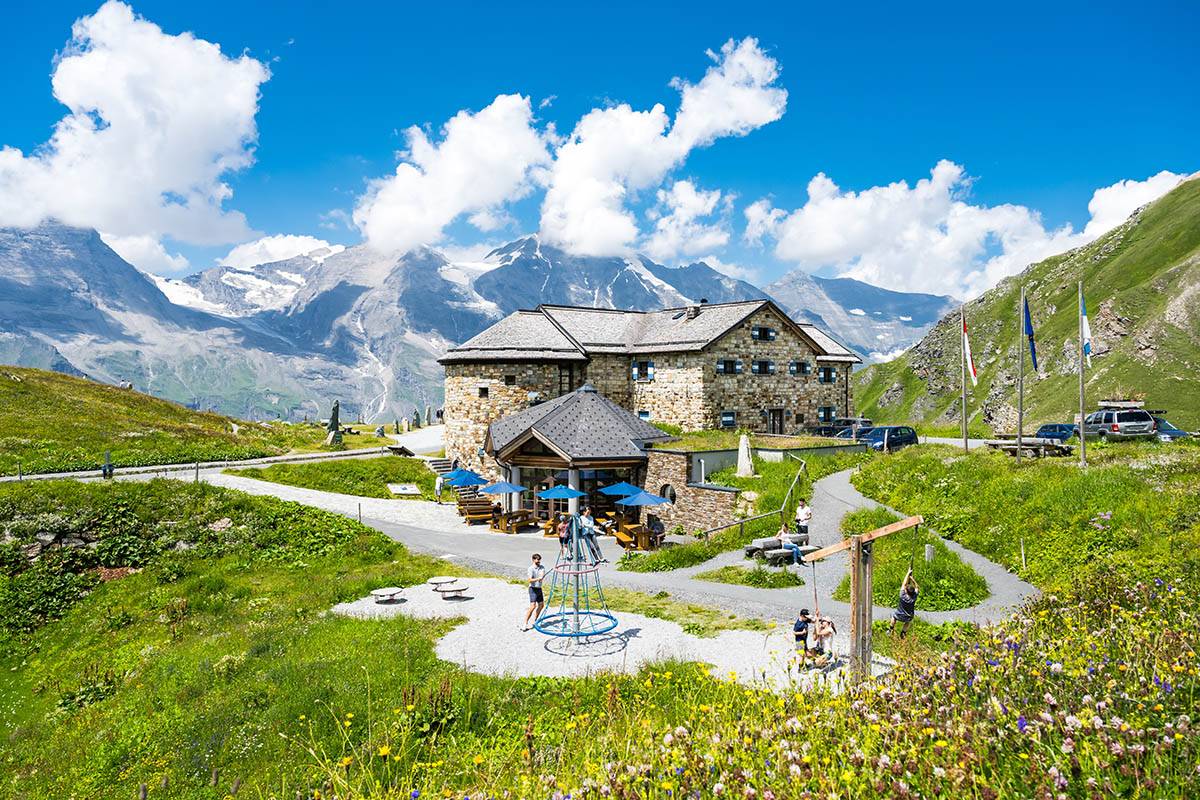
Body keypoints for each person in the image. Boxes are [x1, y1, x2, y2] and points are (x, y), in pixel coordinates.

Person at [889, 569, 920, 637]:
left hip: (899, 614)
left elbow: (904, 583)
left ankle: (890, 629)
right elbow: (917, 587)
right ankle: (903, 633)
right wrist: (912, 579)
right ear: (913, 592)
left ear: (906, 591)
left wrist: (908, 573)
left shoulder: (902, 595)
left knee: (894, 617)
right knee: (908, 622)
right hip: (908, 616)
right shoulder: (914, 597)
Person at [522, 553, 547, 631]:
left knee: (541, 605)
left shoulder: (542, 567)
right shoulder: (531, 568)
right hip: (532, 588)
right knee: (533, 606)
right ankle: (525, 623)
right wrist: (537, 579)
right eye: (537, 561)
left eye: (539, 560)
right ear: (533, 560)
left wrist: (541, 577)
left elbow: (542, 574)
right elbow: (529, 580)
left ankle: (534, 621)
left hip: (539, 588)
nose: (539, 562)